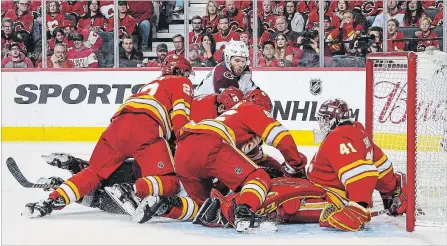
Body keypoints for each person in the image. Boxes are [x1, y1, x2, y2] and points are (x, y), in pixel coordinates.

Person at [22, 55, 194, 218]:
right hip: (145, 130)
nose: (188, 77)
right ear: (179, 71)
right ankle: (132, 189)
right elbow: (180, 118)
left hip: (116, 128)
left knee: (93, 173)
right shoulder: (181, 82)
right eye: (186, 72)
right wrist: (187, 145)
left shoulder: (147, 85)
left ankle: (51, 201)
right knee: (170, 183)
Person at [134, 90, 307, 232]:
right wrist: (296, 165)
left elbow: (259, 159)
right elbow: (282, 138)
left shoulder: (236, 120)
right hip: (211, 144)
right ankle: (245, 212)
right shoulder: (251, 109)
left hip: (185, 151)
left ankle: (165, 205)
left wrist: (279, 168)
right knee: (258, 178)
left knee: (204, 207)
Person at [306, 99, 407, 232]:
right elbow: (380, 164)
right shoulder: (356, 132)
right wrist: (391, 188)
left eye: (325, 119)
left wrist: (358, 208)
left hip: (329, 196)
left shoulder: (339, 137)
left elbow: (362, 172)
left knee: (283, 205)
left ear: (334, 120)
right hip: (324, 190)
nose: (322, 124)